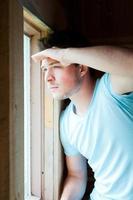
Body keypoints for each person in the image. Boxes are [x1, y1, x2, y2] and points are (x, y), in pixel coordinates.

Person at [32, 38, 133, 200]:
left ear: (82, 68)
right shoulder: (66, 122)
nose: (48, 78)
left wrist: (64, 54)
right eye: (44, 70)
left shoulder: (112, 90)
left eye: (55, 66)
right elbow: (76, 175)